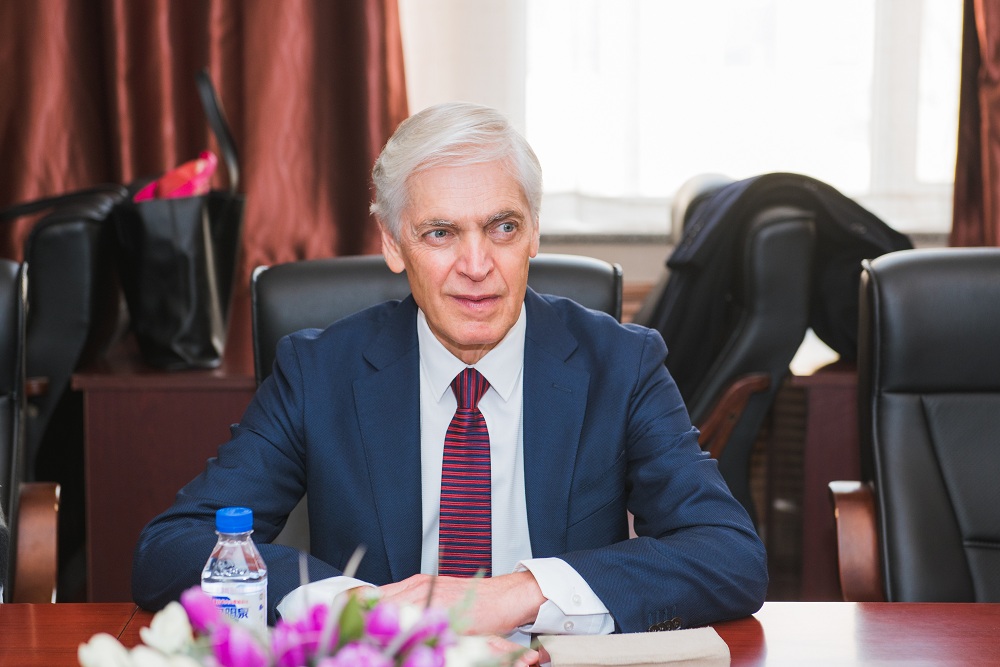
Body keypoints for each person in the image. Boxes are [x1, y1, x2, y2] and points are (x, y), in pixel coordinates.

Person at [132, 102, 767, 660]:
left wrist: (520, 593)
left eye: (502, 227)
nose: (476, 265)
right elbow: (171, 548)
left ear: (534, 233)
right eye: (440, 233)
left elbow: (728, 554)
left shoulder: (620, 365)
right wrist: (361, 611)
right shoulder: (319, 371)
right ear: (393, 244)